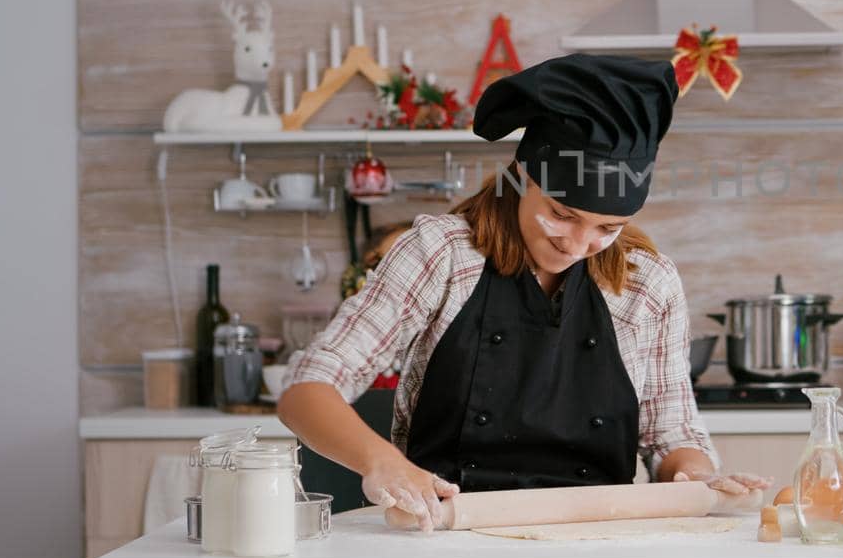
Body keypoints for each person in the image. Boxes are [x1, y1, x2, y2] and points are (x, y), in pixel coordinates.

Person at [280, 54, 767, 531]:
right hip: (448, 532)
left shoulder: (647, 281)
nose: (578, 245)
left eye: (608, 227)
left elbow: (671, 432)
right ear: (523, 177)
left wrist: (696, 476)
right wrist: (381, 462)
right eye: (561, 215)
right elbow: (307, 389)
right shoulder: (442, 254)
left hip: (603, 540)